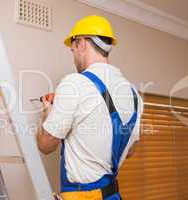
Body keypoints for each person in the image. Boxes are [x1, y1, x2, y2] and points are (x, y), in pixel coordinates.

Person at [37, 15, 143, 200]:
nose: (73, 55)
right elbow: (131, 150)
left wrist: (47, 111)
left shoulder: (75, 83)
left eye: (73, 49)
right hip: (112, 195)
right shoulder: (134, 95)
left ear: (82, 43)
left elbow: (45, 145)